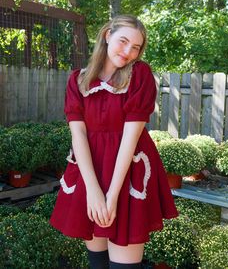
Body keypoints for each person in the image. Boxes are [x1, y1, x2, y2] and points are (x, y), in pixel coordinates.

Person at [50, 15, 178, 269]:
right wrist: (94, 192)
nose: (129, 52)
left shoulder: (139, 74)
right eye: (123, 41)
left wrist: (110, 197)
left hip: (126, 176)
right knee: (97, 263)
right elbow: (79, 137)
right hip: (91, 173)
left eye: (136, 47)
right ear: (107, 35)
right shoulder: (78, 80)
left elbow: (130, 140)